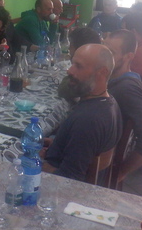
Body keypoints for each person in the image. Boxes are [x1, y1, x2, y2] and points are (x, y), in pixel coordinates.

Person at [41, 44, 122, 181]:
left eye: (78, 66)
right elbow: (83, 147)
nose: (69, 71)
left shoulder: (87, 121)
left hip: (54, 187)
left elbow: (69, 180)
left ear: (102, 72)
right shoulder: (109, 102)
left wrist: (37, 163)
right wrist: (58, 144)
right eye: (72, 64)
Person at [104, 30, 142, 181]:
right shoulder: (114, 79)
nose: (104, 57)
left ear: (129, 56)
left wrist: (119, 173)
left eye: (111, 53)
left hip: (99, 163)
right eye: (104, 50)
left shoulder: (128, 89)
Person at [41, 27, 101, 137]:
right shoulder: (98, 68)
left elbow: (64, 89)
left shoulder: (87, 76)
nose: (69, 49)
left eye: (71, 46)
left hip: (74, 132)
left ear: (79, 50)